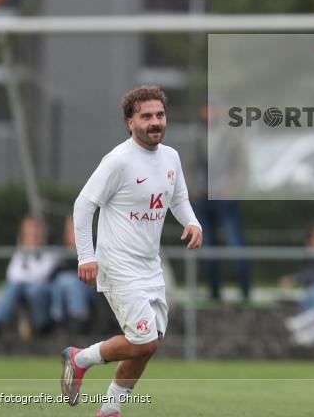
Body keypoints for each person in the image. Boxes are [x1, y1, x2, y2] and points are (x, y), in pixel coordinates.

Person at [59, 85, 203, 416]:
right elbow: (83, 205)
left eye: (160, 115)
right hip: (118, 264)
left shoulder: (171, 157)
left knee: (148, 344)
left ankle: (110, 409)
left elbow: (178, 198)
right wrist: (86, 256)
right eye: (146, 116)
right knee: (143, 340)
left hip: (150, 265)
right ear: (130, 123)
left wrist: (193, 223)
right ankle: (79, 358)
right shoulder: (118, 161)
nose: (155, 122)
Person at [194, 100, 252, 304]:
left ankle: (245, 292)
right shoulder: (199, 136)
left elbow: (242, 167)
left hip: (226, 199)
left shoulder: (232, 135)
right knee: (208, 246)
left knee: (236, 244)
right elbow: (192, 165)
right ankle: (214, 292)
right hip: (205, 196)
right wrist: (194, 189)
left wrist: (233, 188)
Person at [0, 216, 57, 339]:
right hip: (21, 289)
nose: (31, 237)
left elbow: (41, 275)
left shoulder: (50, 252)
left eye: (35, 233)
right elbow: (12, 275)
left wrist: (25, 273)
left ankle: (42, 325)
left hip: (41, 290)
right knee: (12, 287)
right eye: (28, 234)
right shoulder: (20, 253)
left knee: (35, 289)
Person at [50, 216, 99, 334]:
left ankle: (73, 319)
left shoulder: (94, 250)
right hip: (62, 289)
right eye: (69, 231)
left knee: (69, 280)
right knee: (63, 280)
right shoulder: (59, 252)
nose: (73, 234)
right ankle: (65, 320)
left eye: (75, 230)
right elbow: (51, 274)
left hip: (91, 288)